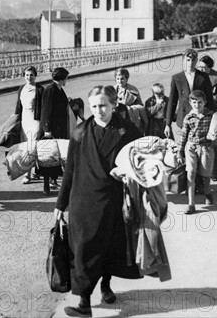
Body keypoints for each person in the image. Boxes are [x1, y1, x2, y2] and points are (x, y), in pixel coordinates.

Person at [54, 86, 143, 317]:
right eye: (94, 106)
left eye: (103, 105)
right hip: (83, 202)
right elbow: (70, 171)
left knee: (110, 247)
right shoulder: (80, 132)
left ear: (114, 104)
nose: (98, 110)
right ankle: (84, 303)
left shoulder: (128, 131)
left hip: (114, 201)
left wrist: (124, 173)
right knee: (83, 249)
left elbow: (140, 164)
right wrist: (60, 204)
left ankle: (106, 286)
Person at [177, 90, 217, 215]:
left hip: (206, 147)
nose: (197, 105)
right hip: (191, 147)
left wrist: (216, 135)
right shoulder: (188, 118)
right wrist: (180, 152)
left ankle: (207, 192)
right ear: (191, 103)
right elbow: (183, 136)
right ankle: (191, 204)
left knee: (206, 173)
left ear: (205, 102)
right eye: (194, 102)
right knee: (190, 173)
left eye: (200, 102)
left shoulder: (211, 115)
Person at [164, 48, 215, 141]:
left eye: (193, 60)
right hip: (183, 117)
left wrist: (214, 119)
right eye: (188, 60)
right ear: (183, 61)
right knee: (184, 144)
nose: (190, 63)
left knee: (200, 144)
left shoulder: (203, 77)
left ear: (196, 61)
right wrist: (168, 124)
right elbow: (172, 101)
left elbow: (210, 99)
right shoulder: (177, 78)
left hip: (200, 117)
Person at [38, 67, 75, 196]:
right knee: (47, 157)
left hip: (59, 129)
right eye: (66, 78)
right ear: (62, 78)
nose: (67, 80)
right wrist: (46, 130)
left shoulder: (59, 89)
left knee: (55, 156)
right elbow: (46, 111)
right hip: (51, 130)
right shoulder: (50, 90)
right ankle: (46, 184)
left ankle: (53, 181)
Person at [14, 66, 44, 184]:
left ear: (35, 76)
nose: (29, 77)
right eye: (27, 75)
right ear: (24, 76)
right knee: (25, 147)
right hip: (24, 120)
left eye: (31, 75)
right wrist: (15, 119)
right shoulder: (22, 88)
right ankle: (35, 171)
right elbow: (18, 106)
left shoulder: (40, 89)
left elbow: (44, 107)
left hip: (35, 120)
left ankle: (27, 175)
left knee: (30, 148)